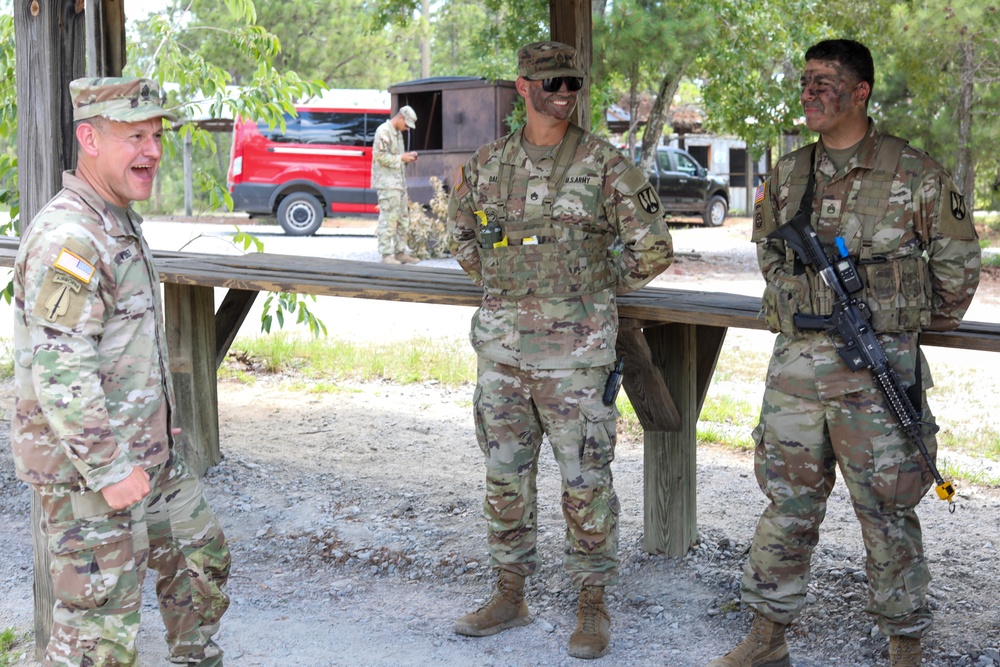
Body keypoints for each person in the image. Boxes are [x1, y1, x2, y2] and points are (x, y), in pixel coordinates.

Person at [706, 40, 981, 667]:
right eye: (805, 81)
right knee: (787, 502)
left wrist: (896, 319)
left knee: (887, 507)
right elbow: (771, 254)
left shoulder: (916, 173)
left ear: (860, 92)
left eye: (825, 82)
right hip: (798, 369)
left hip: (875, 369)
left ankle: (904, 639)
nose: (809, 92)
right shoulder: (789, 172)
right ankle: (767, 635)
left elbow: (958, 270)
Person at [447, 41, 674, 660]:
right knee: (504, 477)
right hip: (502, 354)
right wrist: (507, 283)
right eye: (552, 83)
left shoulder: (605, 163)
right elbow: (462, 235)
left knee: (585, 482)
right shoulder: (489, 163)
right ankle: (510, 591)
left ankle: (591, 603)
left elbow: (654, 247)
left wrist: (589, 285)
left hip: (576, 357)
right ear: (523, 88)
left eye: (573, 81)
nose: (565, 92)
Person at [12, 78, 231, 667]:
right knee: (98, 635)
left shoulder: (114, 217)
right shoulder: (72, 238)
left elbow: (121, 346)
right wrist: (110, 468)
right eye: (134, 135)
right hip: (93, 474)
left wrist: (155, 424)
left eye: (156, 135)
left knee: (198, 558)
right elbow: (62, 369)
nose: (153, 150)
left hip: (146, 456)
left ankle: (194, 656)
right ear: (89, 138)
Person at [372, 104, 420, 264]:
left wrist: (407, 157)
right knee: (389, 219)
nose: (407, 128)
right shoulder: (383, 132)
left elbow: (398, 157)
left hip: (399, 183)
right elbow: (380, 157)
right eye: (406, 125)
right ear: (400, 118)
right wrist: (401, 158)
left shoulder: (398, 134)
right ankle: (386, 255)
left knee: (402, 219)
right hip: (387, 184)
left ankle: (400, 252)